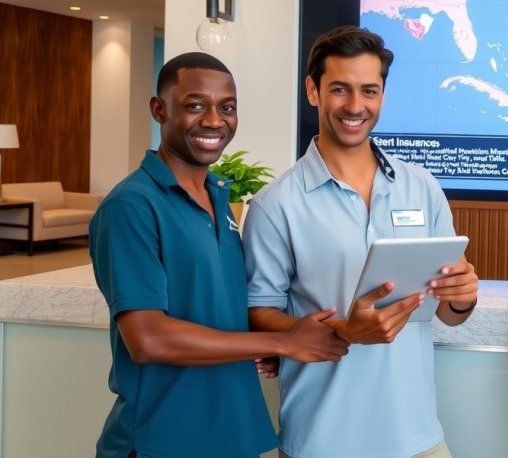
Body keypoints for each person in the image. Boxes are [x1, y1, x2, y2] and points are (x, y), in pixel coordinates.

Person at [89, 52, 349, 458]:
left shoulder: (218, 197)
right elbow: (148, 338)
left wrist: (262, 343)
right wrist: (280, 342)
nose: (214, 120)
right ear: (159, 110)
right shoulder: (132, 206)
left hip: (231, 434)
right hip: (162, 440)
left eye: (227, 108)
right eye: (195, 105)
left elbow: (212, 305)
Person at [245, 26, 479, 458]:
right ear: (313, 91)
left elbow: (448, 314)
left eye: (369, 91)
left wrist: (463, 297)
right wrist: (343, 332)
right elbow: (260, 313)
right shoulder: (274, 205)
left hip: (418, 438)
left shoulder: (422, 187)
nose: (356, 106)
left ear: (382, 95)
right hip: (321, 439)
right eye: (340, 89)